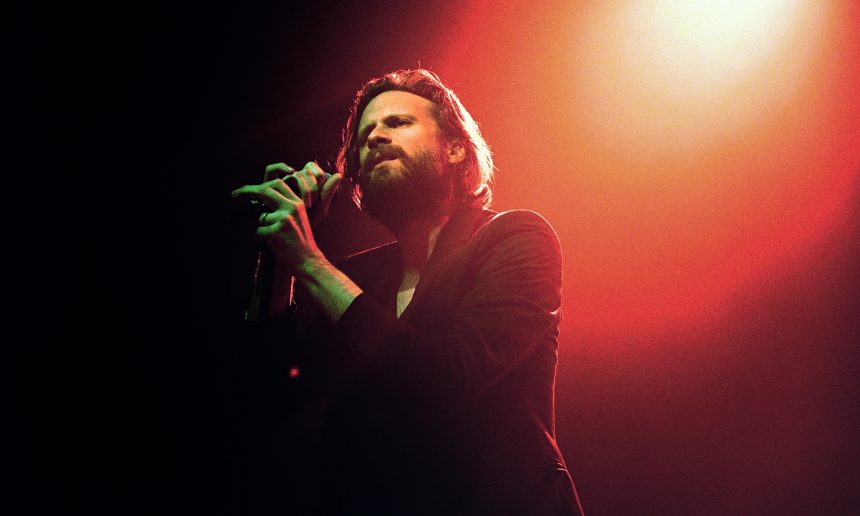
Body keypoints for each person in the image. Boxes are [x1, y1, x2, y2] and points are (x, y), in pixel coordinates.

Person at [231, 69, 585, 515]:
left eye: (398, 123)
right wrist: (278, 263)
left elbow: (443, 377)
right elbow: (270, 399)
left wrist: (309, 261)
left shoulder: (515, 238)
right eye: (364, 137)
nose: (375, 138)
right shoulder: (358, 276)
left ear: (455, 149)